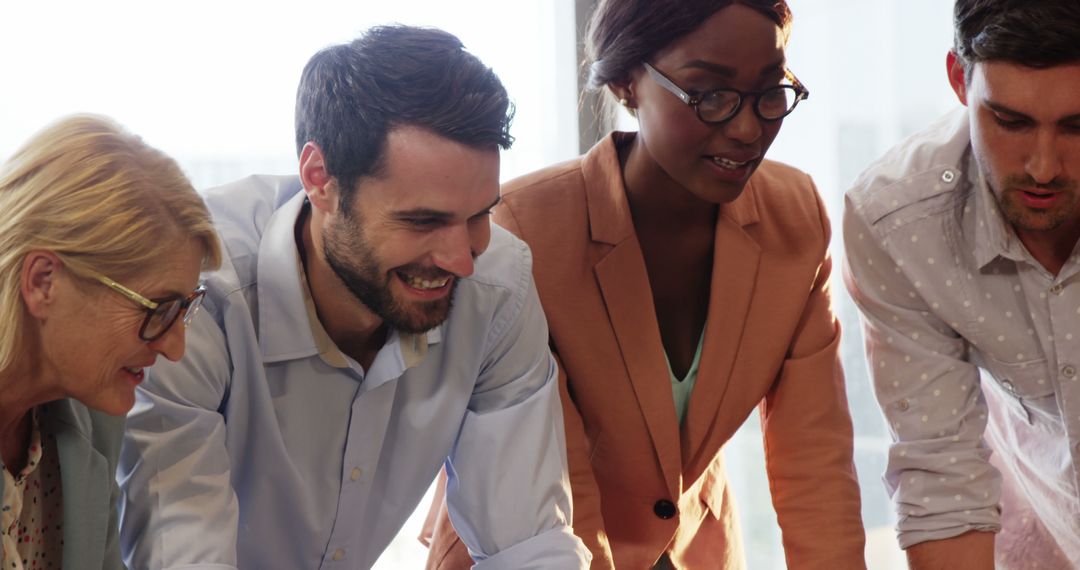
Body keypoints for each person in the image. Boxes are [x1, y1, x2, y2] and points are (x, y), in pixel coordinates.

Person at [116, 25, 589, 570]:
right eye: (423, 221)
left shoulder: (498, 285)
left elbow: (527, 543)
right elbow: (181, 554)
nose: (463, 259)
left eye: (479, 215)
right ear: (320, 179)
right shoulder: (196, 293)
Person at [424, 1, 866, 568]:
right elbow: (552, 495)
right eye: (709, 93)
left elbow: (816, 465)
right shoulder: (524, 231)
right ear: (627, 83)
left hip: (688, 546)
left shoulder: (795, 216)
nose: (748, 127)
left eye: (770, 92)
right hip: (531, 545)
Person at [843, 2, 1080, 568]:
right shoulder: (898, 224)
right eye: (1011, 121)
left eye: (1078, 126)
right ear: (958, 79)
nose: (1043, 167)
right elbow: (942, 482)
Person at [0, 114, 221, 570]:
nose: (175, 348)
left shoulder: (93, 415)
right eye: (156, 310)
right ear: (43, 282)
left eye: (184, 310)